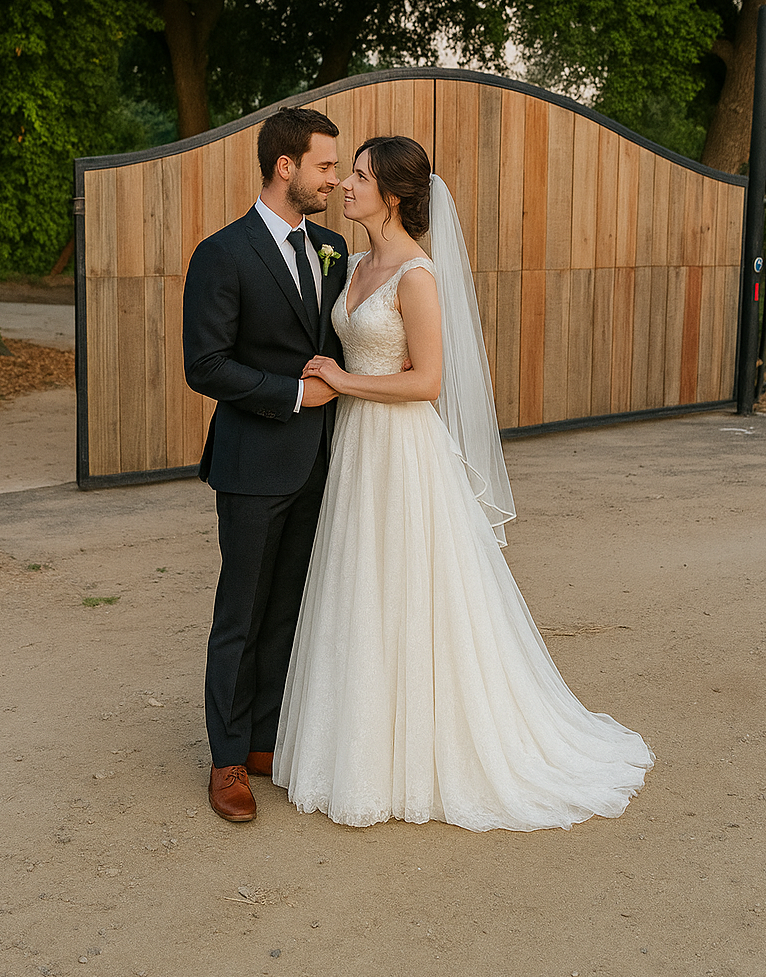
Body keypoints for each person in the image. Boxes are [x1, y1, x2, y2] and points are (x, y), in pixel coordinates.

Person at [275, 135, 653, 832]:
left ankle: (423, 756)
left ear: (391, 194)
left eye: (358, 176)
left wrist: (341, 378)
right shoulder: (354, 262)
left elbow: (428, 381)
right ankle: (360, 747)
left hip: (401, 449)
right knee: (363, 587)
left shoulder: (416, 276)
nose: (346, 186)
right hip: (357, 448)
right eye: (347, 173)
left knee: (413, 593)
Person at [182, 108, 349, 824]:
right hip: (252, 464)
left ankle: (263, 741)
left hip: (320, 463)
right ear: (286, 167)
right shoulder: (222, 254)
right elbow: (206, 365)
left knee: (288, 609)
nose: (335, 181)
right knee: (241, 614)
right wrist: (292, 393)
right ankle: (225, 760)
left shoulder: (334, 247)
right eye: (325, 167)